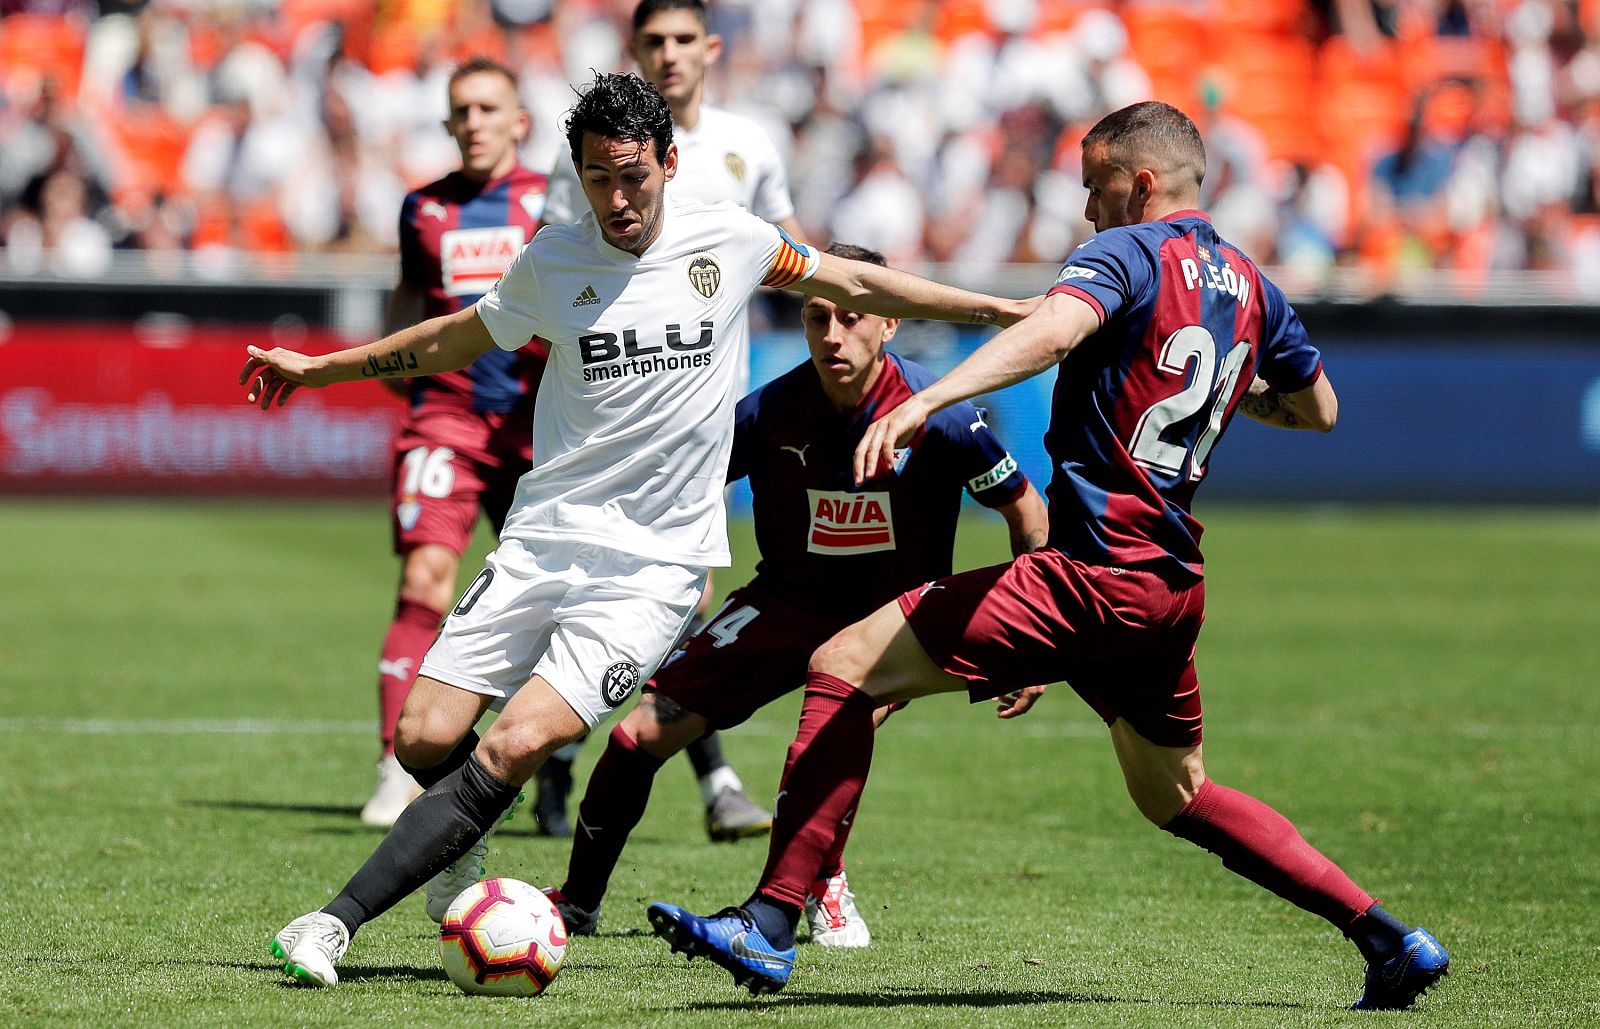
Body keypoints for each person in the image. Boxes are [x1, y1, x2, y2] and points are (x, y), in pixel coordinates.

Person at [646, 101, 1451, 1012]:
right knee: (1176, 792)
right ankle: (1390, 939)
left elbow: (1056, 329)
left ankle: (772, 919)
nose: (1085, 209)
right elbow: (1320, 410)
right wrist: (1231, 387)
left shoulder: (1127, 253)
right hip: (1168, 587)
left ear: (1141, 183)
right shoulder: (1249, 282)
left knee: (843, 662)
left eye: (1095, 187)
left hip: (1091, 572)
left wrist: (924, 399)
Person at [246, 71, 1036, 988]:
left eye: (632, 177)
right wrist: (320, 369)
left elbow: (856, 276)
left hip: (652, 569)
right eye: (596, 179)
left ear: (668, 161)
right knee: (424, 736)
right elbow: (451, 338)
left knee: (512, 744)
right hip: (544, 535)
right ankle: (459, 844)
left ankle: (330, 924)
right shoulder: (555, 259)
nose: (617, 200)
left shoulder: (733, 241)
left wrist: (1005, 315)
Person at [543, 242, 1048, 948]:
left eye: (851, 316)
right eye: (816, 318)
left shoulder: (941, 417)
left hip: (888, 626)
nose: (832, 335)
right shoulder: (771, 412)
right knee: (636, 737)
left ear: (892, 322)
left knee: (829, 735)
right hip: (782, 603)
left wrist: (1029, 641)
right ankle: (577, 902)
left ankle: (819, 880)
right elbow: (685, 488)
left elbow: (1026, 512)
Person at [535, 0, 806, 842]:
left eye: (683, 39)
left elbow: (793, 255)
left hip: (713, 404)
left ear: (710, 48)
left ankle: (582, 756)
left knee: (686, 590)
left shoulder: (748, 145)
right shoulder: (589, 156)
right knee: (642, 588)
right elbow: (556, 263)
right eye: (653, 40)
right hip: (616, 409)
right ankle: (699, 773)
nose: (669, 53)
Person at [358, 57, 550, 829]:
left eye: (486, 107)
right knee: (427, 576)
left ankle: (541, 756)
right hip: (445, 417)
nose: (472, 121)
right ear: (446, 123)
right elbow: (407, 300)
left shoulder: (553, 203)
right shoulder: (423, 209)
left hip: (537, 427)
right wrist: (392, 359)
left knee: (546, 598)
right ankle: (393, 765)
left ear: (518, 121)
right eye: (460, 110)